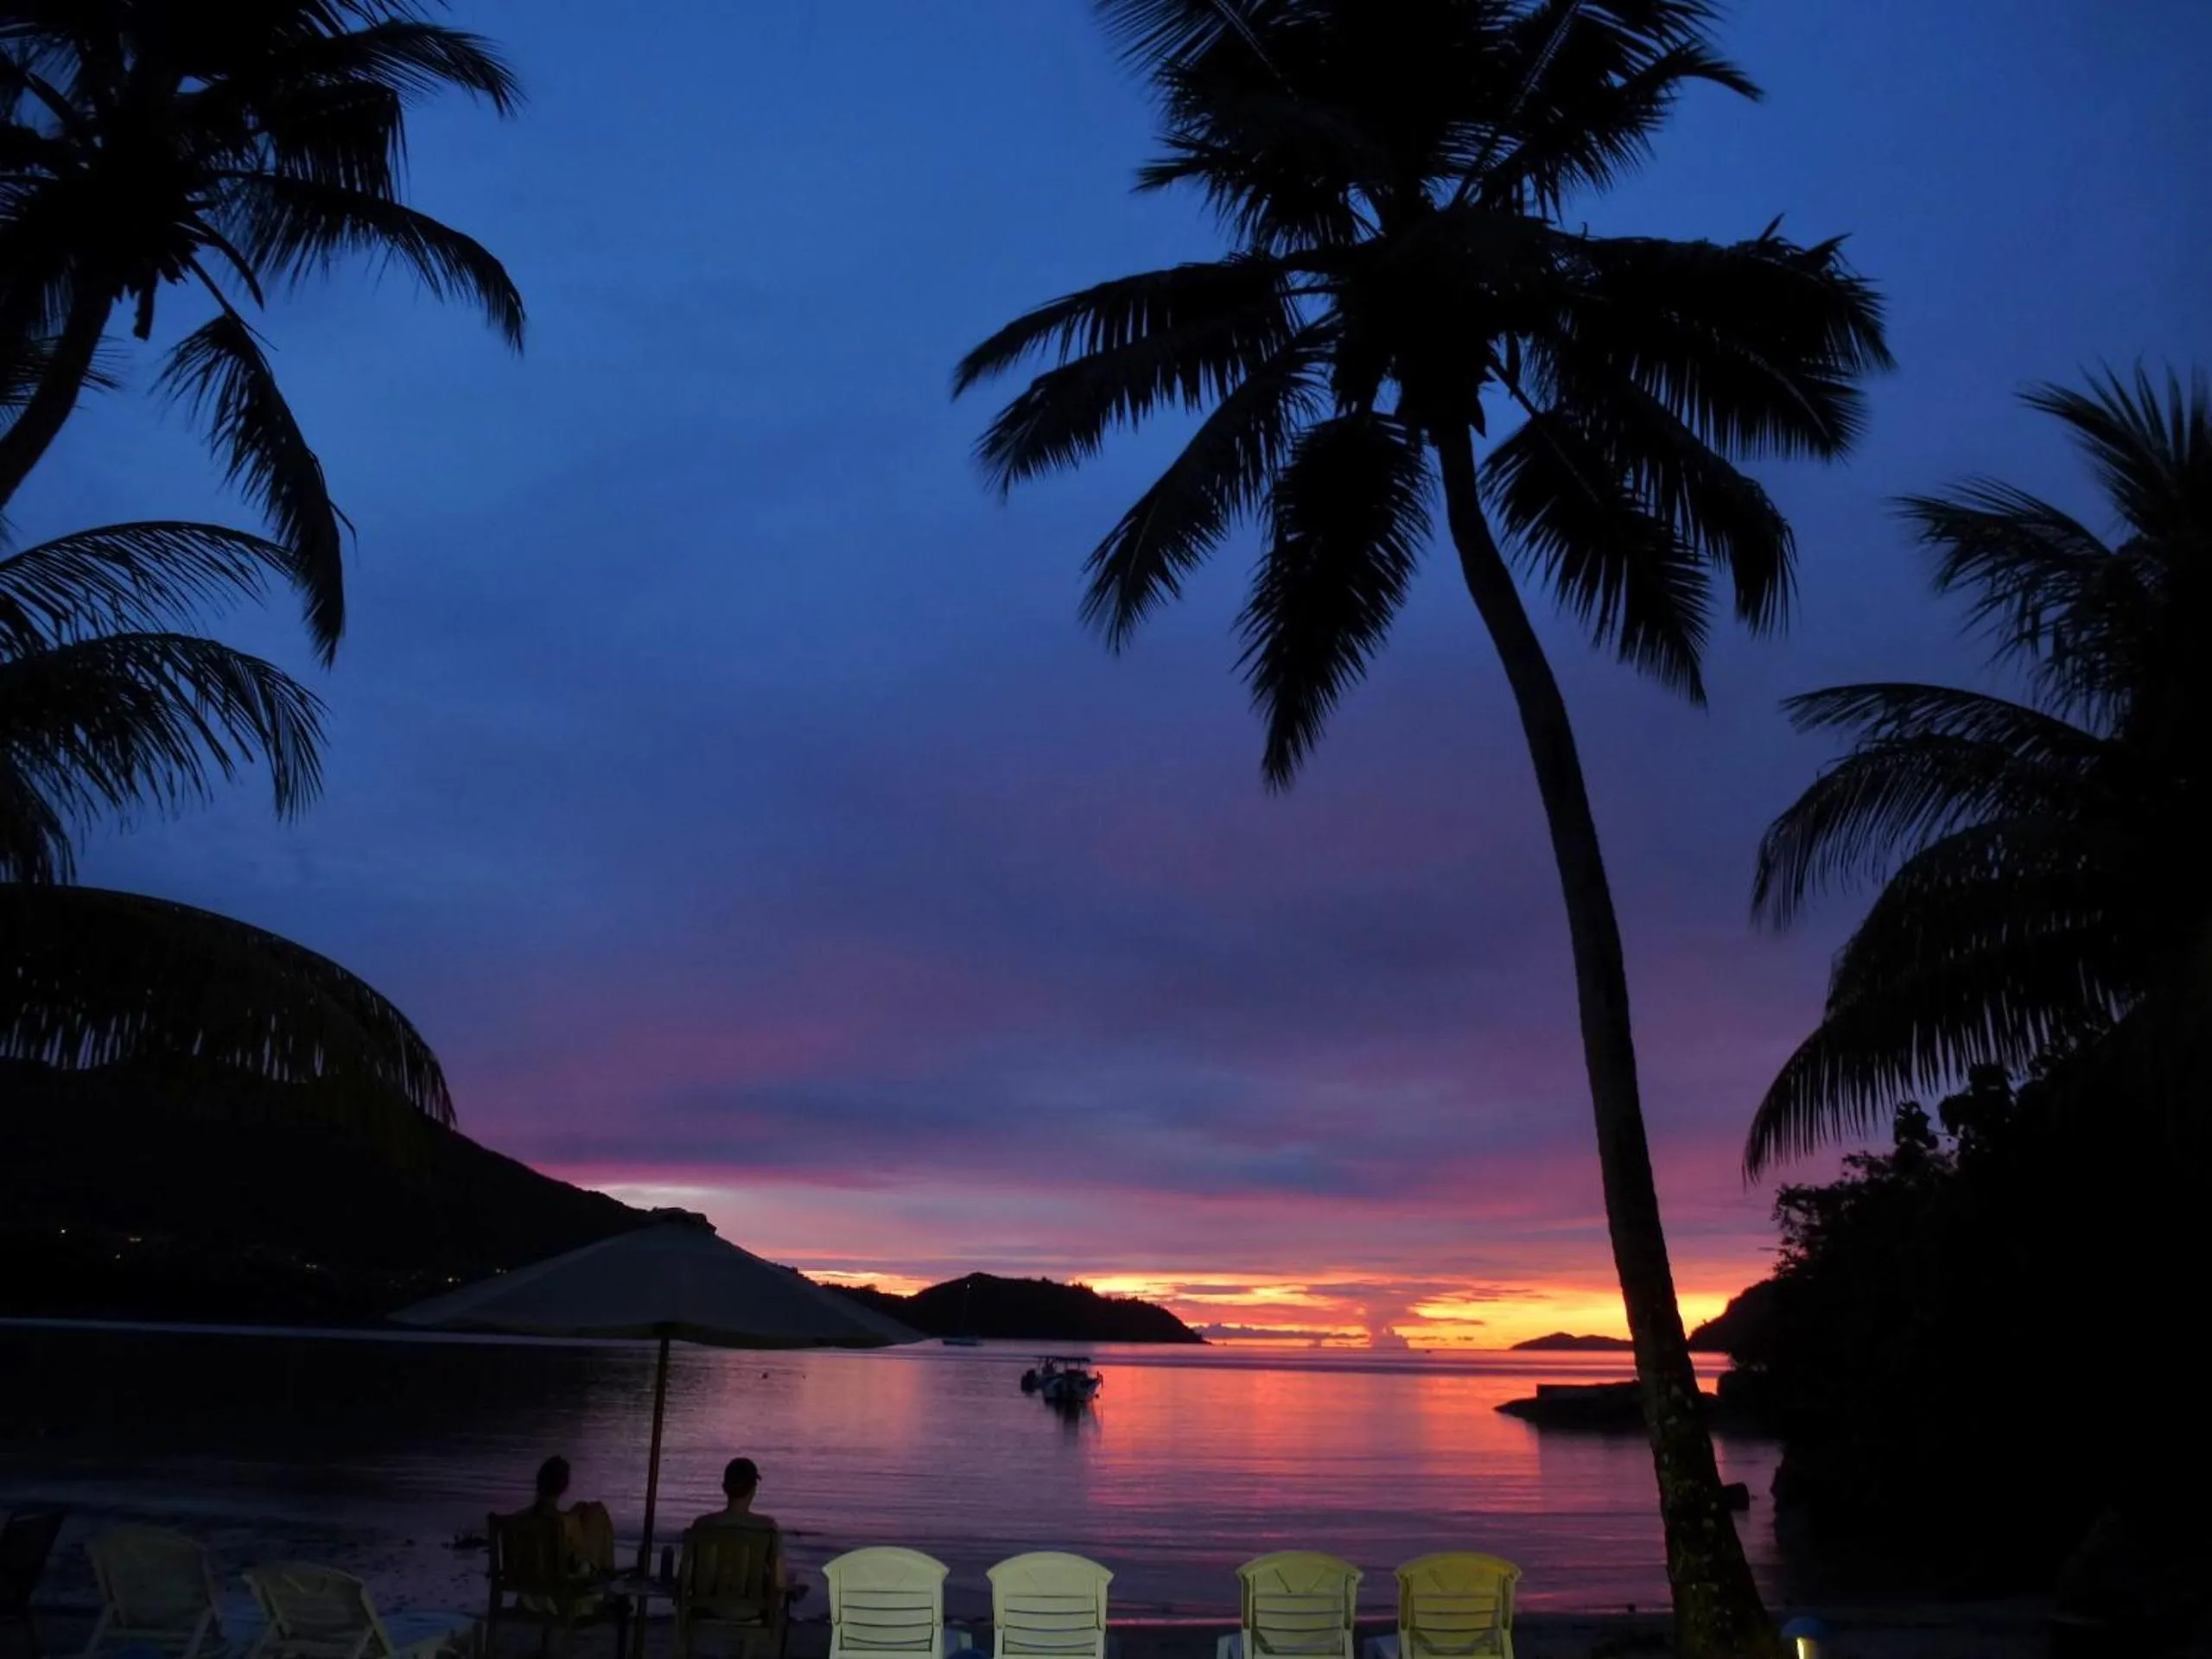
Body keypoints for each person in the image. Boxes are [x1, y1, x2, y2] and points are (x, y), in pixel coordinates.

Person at [693, 1458, 793, 1602]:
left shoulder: (702, 1525)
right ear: (753, 1490)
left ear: (724, 1488)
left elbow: (686, 1576)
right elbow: (779, 1583)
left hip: (706, 1610)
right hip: (751, 1615)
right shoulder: (767, 1528)